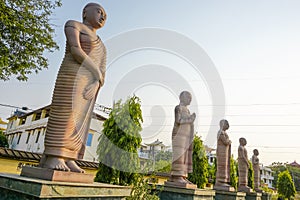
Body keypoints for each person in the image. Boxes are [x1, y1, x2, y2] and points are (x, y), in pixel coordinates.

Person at [39, 3, 107, 173]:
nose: (103, 17)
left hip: (90, 85)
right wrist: (97, 74)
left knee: (80, 121)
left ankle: (70, 157)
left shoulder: (102, 46)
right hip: (72, 75)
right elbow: (76, 50)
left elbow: (102, 70)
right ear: (85, 12)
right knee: (66, 112)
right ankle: (54, 155)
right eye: (99, 11)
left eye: (105, 15)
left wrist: (97, 82)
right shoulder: (74, 25)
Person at [170, 91, 196, 184]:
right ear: (182, 97)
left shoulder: (187, 110)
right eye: (188, 98)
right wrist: (190, 119)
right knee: (179, 155)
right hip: (178, 136)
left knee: (185, 157)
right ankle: (176, 175)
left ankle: (182, 175)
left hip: (185, 137)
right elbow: (178, 120)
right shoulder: (178, 108)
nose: (190, 100)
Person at [215, 119, 232, 187]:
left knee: (225, 166)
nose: (227, 125)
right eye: (226, 124)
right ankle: (220, 181)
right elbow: (225, 141)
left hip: (225, 152)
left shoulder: (224, 133)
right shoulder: (220, 132)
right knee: (221, 166)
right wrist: (229, 141)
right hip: (221, 152)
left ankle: (224, 180)